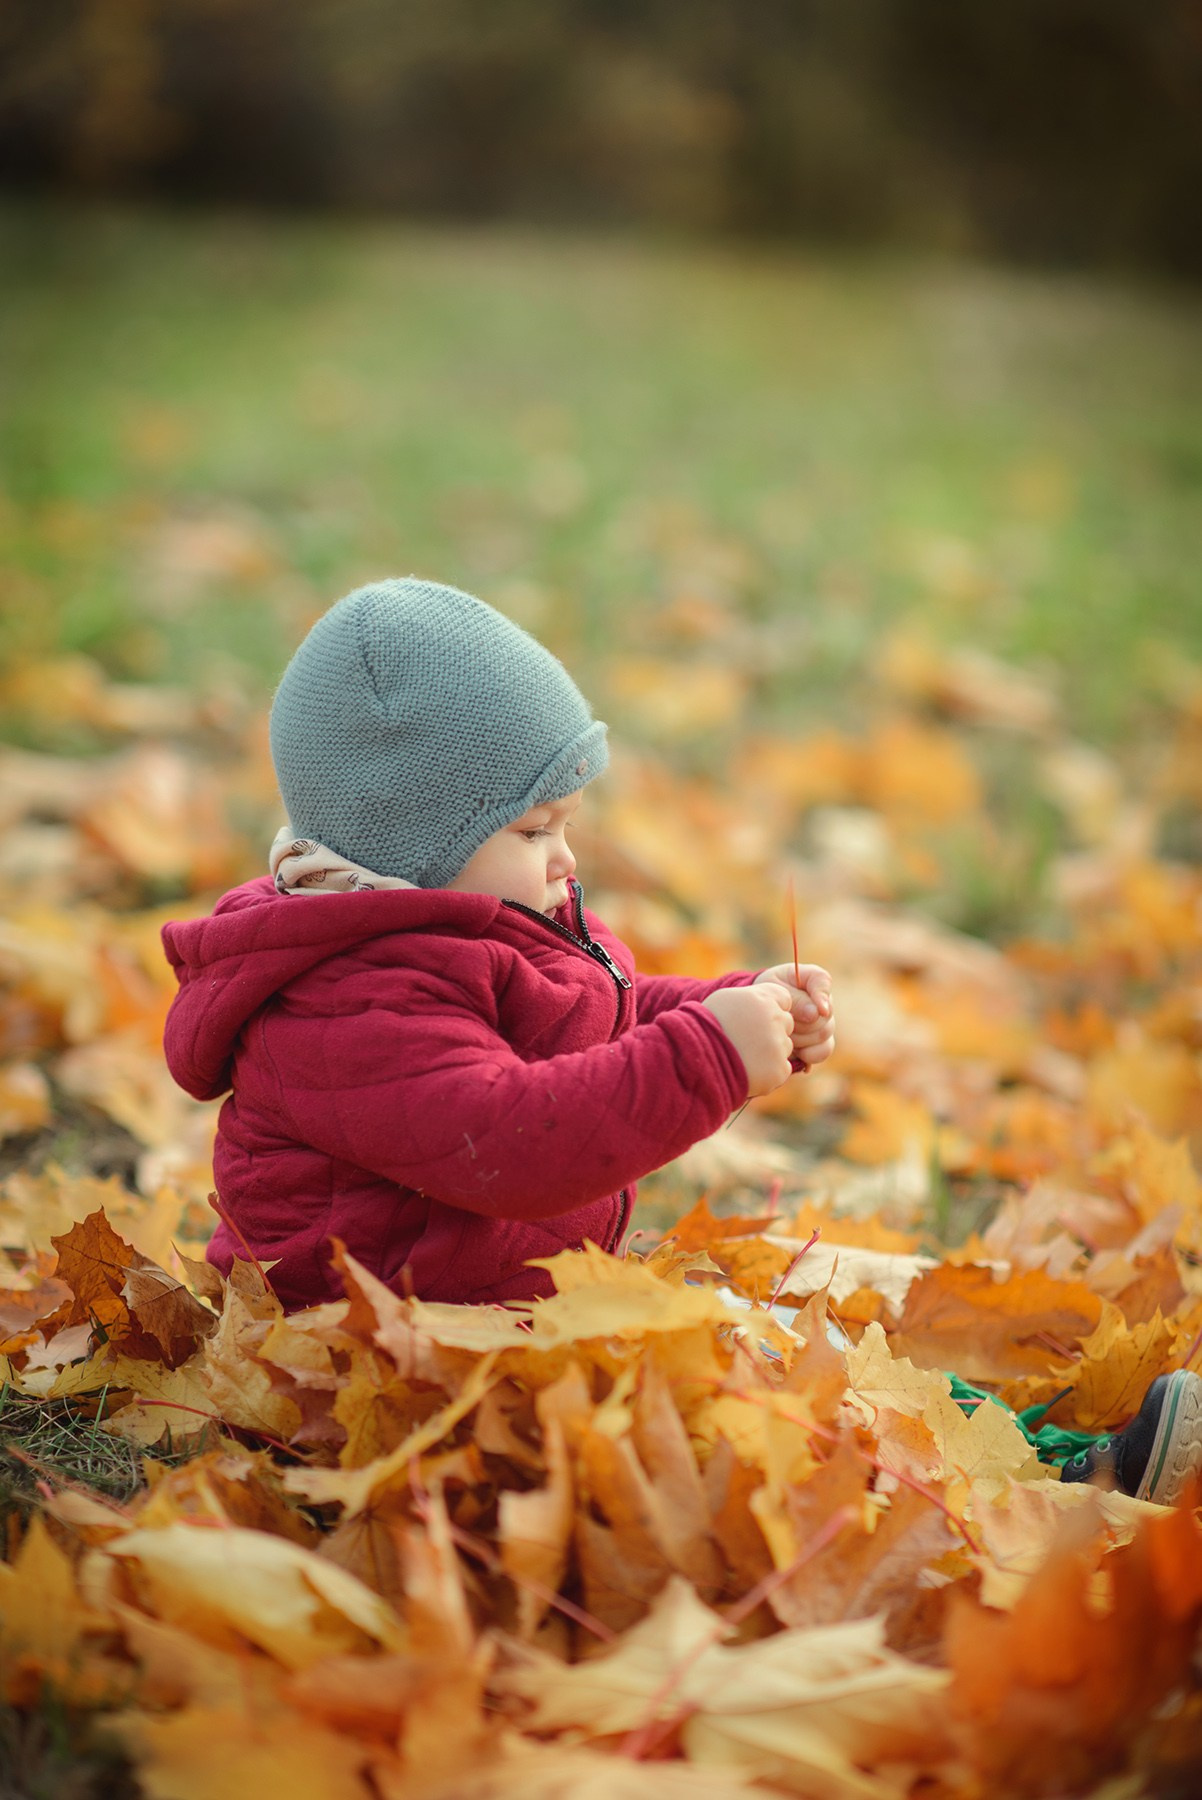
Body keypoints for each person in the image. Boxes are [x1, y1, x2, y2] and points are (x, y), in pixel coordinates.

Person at [161, 576, 836, 1312]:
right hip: (366, 1359)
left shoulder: (490, 924)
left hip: (489, 1315)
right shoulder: (345, 1002)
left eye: (567, 824)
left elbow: (591, 1019)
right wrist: (708, 1054)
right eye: (533, 830)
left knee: (770, 1347)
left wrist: (734, 1005)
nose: (566, 859)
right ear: (412, 844)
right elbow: (513, 1145)